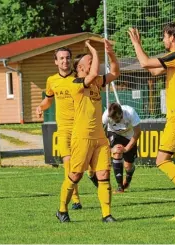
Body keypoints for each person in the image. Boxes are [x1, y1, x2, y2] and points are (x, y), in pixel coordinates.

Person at [128, 22, 175, 221]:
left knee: (162, 160)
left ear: (172, 37)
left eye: (164, 36)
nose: (163, 39)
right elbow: (153, 72)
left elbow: (144, 63)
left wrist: (137, 43)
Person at [56, 39, 120, 223]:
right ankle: (62, 209)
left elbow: (115, 72)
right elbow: (92, 74)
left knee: (103, 175)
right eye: (90, 62)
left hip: (99, 136)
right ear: (80, 68)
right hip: (82, 137)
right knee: (75, 175)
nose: (94, 65)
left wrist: (110, 53)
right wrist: (92, 49)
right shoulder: (75, 83)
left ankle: (106, 214)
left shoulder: (96, 82)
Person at [37, 47, 98, 210]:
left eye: (67, 58)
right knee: (69, 165)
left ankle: (93, 174)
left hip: (81, 128)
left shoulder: (78, 78)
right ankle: (76, 200)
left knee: (88, 164)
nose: (65, 61)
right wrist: (40, 107)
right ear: (56, 61)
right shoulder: (52, 81)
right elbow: (48, 100)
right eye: (61, 58)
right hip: (63, 129)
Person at [102, 102, 141, 193]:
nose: (115, 120)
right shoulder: (105, 116)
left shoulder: (131, 112)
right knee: (117, 151)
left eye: (117, 118)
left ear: (121, 113)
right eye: (113, 119)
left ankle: (128, 176)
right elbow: (100, 133)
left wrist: (127, 148)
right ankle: (120, 187)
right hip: (114, 134)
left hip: (130, 137)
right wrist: (109, 148)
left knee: (128, 166)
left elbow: (137, 133)